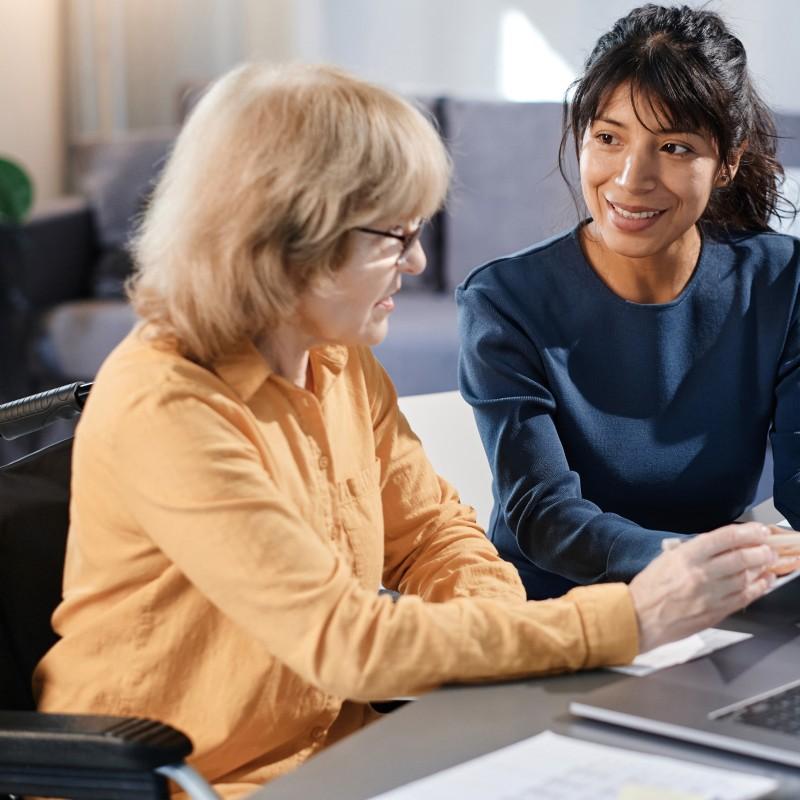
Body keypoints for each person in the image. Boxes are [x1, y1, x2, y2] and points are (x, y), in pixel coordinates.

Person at [34, 62, 777, 799]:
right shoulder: (169, 403)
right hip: (196, 781)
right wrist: (627, 619)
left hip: (347, 753)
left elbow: (435, 534)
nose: (418, 262)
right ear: (290, 236)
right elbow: (344, 641)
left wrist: (499, 637)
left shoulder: (337, 356)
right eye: (394, 235)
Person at [457, 3, 800, 600]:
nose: (630, 179)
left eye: (674, 148)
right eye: (609, 138)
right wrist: (695, 563)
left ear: (729, 162)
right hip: (556, 620)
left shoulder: (782, 281)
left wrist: (724, 573)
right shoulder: (505, 300)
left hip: (714, 613)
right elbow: (544, 516)